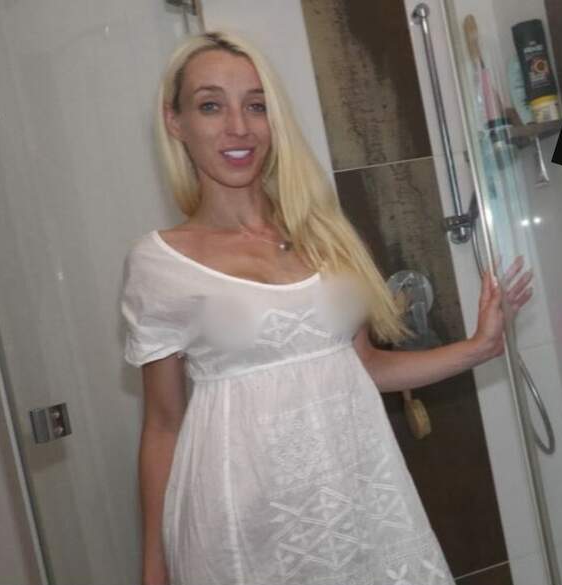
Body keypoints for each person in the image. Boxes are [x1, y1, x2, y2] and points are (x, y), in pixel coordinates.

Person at [120, 29, 534, 585]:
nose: (239, 127)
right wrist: (154, 569)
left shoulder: (323, 233)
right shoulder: (160, 262)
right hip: (242, 520)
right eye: (211, 106)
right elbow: (163, 426)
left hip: (356, 499)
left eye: (256, 106)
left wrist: (478, 348)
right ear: (176, 122)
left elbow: (363, 366)